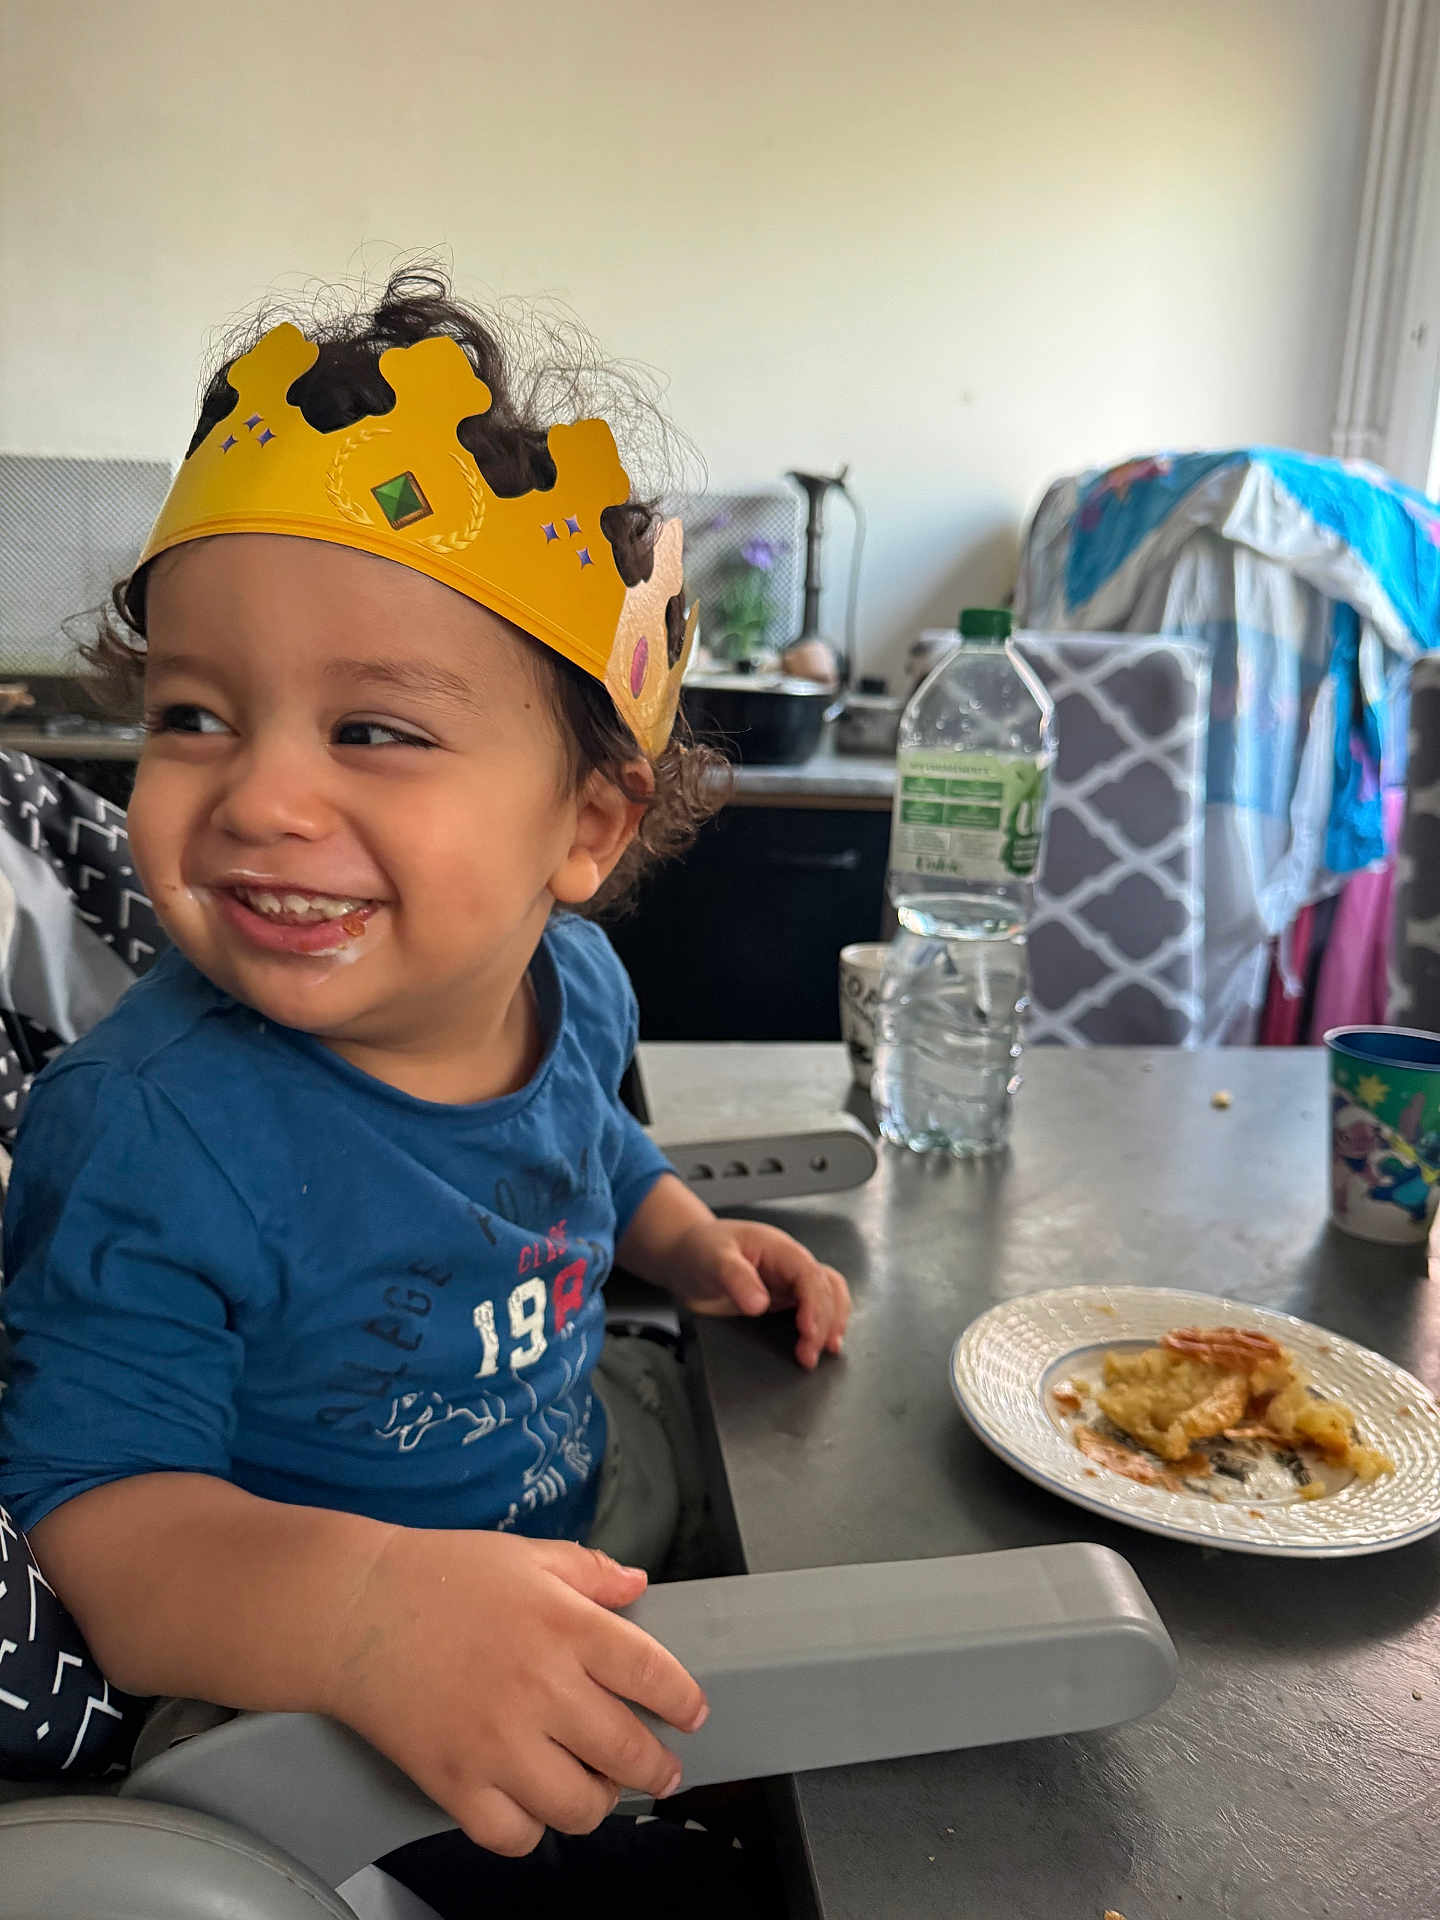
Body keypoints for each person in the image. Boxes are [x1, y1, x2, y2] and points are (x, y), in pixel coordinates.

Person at [0, 270, 850, 1888]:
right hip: (302, 1699)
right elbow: (99, 1527)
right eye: (197, 714)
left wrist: (677, 1233)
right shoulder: (151, 1131)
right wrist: (374, 1616)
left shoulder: (570, 984)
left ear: (584, 830)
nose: (258, 795)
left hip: (562, 1515)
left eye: (373, 730)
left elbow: (580, 1139)